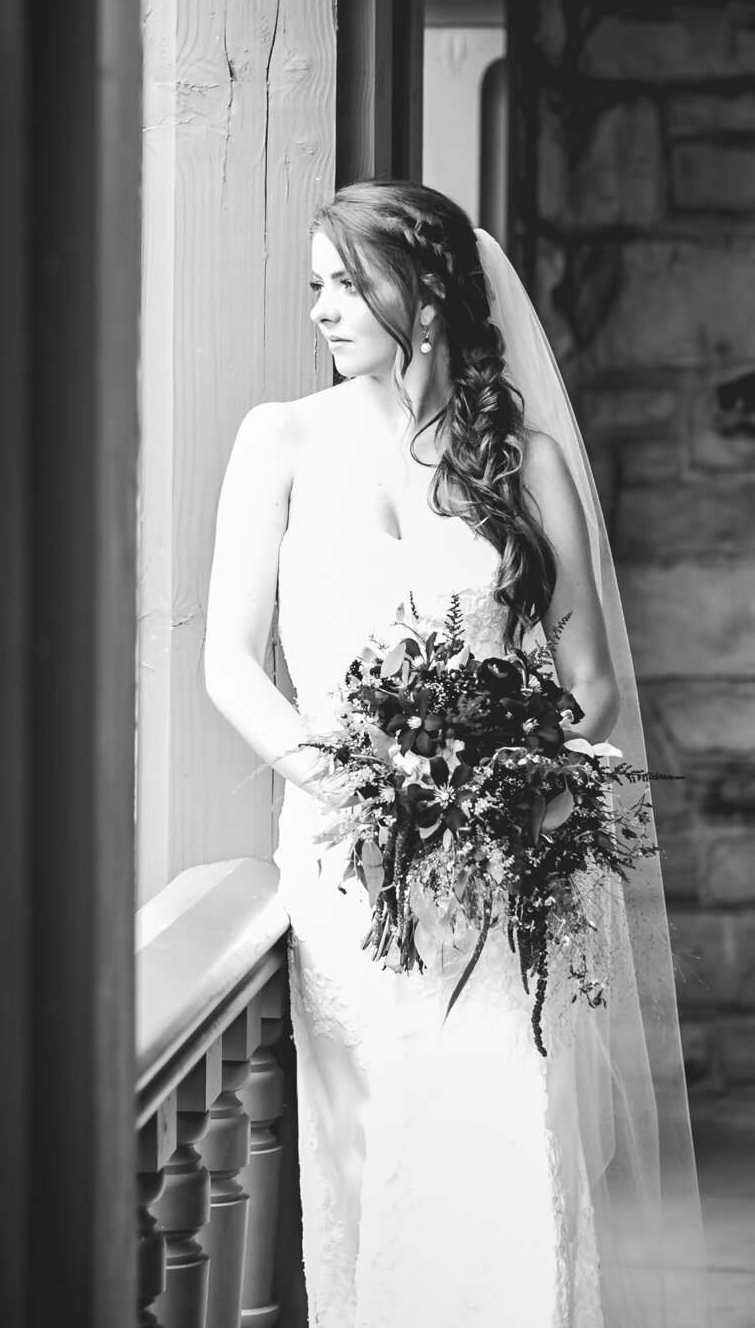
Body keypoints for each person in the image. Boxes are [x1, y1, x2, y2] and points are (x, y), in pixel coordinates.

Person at [204, 180, 707, 1328]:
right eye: (315, 287)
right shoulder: (278, 439)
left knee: (506, 1153)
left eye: (350, 284)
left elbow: (590, 686)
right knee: (372, 1167)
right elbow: (229, 662)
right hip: (345, 875)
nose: (324, 310)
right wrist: (358, 787)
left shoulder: (521, 459)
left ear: (425, 297)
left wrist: (508, 787)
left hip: (497, 878)